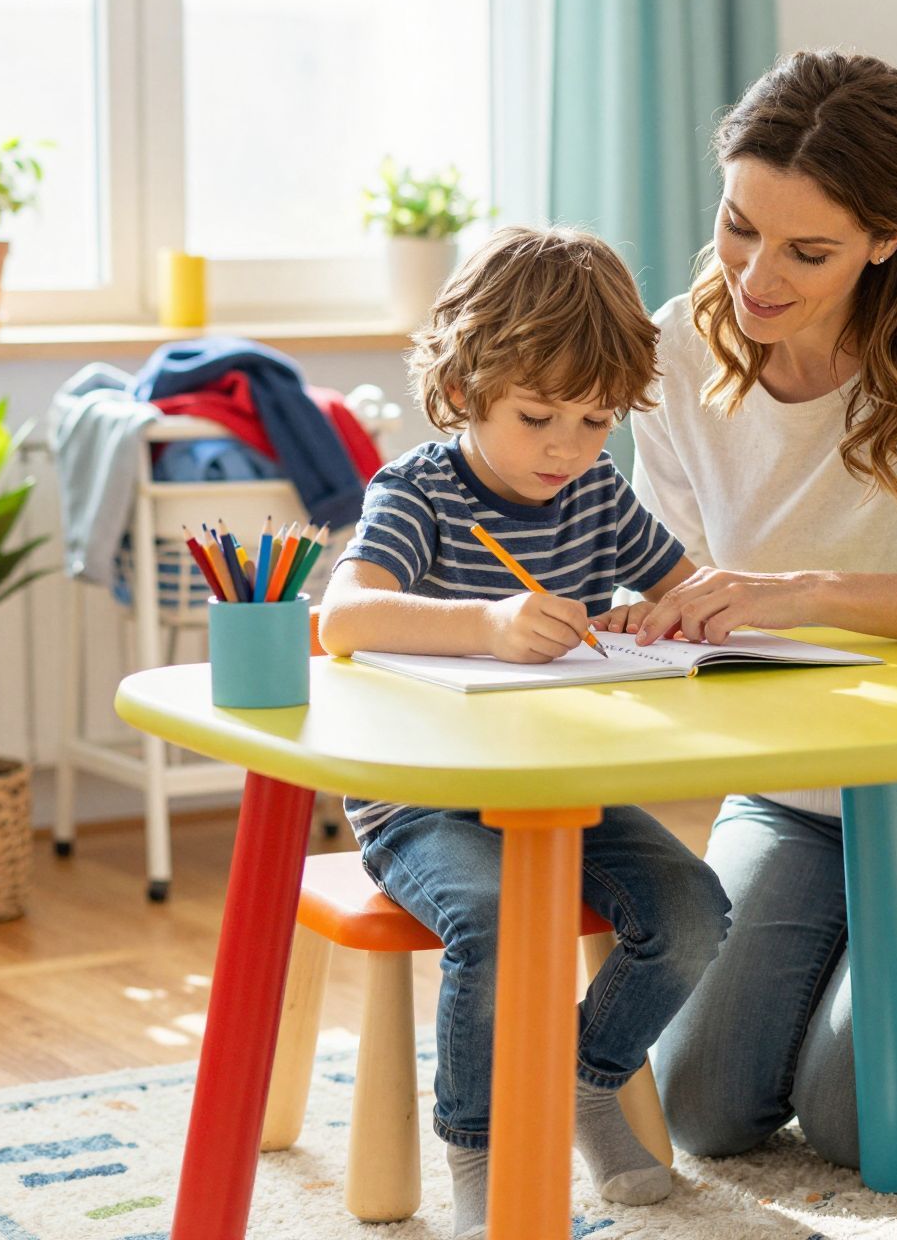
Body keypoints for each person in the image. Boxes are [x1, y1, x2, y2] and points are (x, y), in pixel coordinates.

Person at [602, 50, 897, 1169]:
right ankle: (894, 958)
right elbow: (658, 571)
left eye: (806, 250)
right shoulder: (679, 348)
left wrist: (799, 595)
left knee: (854, 1116)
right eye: (737, 227)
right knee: (706, 1110)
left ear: (886, 238)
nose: (754, 276)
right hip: (795, 793)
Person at [318, 226, 732, 1236]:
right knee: (499, 922)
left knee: (692, 911)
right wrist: (487, 626)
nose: (567, 449)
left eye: (595, 421)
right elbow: (345, 615)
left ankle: (585, 1080)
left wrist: (675, 614)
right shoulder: (416, 492)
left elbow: (684, 587)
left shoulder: (592, 493)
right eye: (537, 416)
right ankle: (484, 1148)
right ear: (463, 389)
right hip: (424, 805)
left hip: (561, 795)